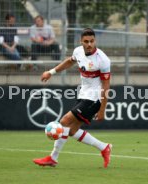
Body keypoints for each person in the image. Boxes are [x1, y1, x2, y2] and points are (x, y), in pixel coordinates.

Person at [33, 28, 112, 168]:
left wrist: (102, 109)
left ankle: (53, 158)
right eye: (86, 41)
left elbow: (106, 86)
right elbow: (69, 62)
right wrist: (51, 72)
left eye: (92, 41)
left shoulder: (103, 60)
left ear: (95, 41)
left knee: (64, 122)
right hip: (83, 95)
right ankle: (104, 147)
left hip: (94, 99)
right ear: (81, 41)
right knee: (71, 130)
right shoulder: (78, 51)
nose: (89, 44)